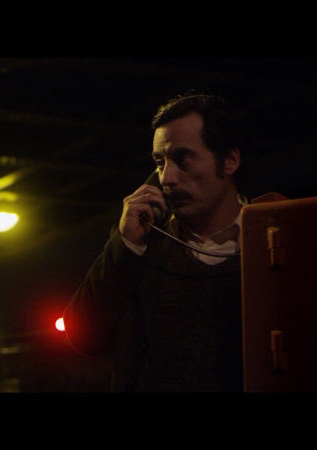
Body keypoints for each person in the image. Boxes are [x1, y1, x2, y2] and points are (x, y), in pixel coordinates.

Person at [63, 90, 249, 392]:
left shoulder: (272, 241)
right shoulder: (146, 246)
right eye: (160, 163)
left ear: (229, 160)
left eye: (182, 159)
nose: (166, 178)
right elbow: (84, 337)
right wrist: (125, 245)